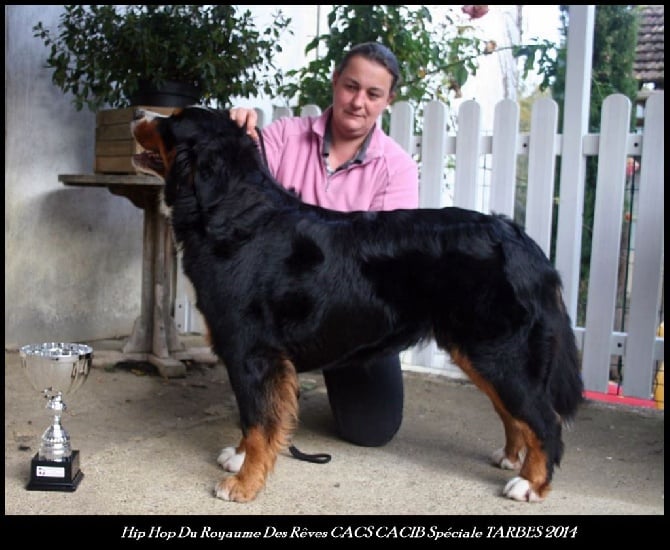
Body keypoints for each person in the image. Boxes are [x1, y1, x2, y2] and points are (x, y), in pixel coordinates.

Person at [229, 42, 419, 447]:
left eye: (373, 94)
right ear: (334, 82)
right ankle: (279, 384)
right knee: (255, 378)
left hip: (354, 316)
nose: (358, 102)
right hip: (285, 306)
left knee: (370, 431)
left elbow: (384, 268)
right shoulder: (281, 137)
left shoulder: (398, 168)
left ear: (389, 100)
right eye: (351, 86)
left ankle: (311, 378)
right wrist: (236, 136)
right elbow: (240, 188)